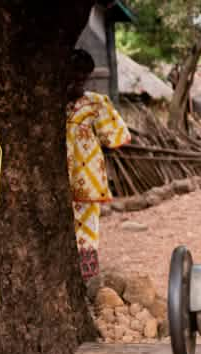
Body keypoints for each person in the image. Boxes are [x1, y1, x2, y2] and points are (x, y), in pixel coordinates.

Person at [65, 49, 130, 281]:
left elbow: (115, 137)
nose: (77, 83)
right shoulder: (46, 104)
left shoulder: (96, 103)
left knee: (87, 227)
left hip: (87, 177)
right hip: (64, 176)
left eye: (82, 78)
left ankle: (86, 277)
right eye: (73, 77)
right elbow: (113, 136)